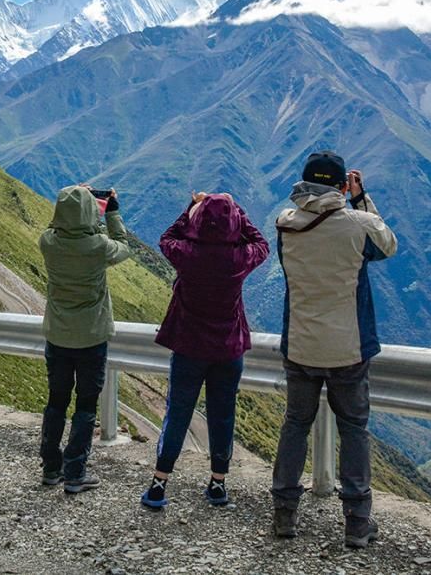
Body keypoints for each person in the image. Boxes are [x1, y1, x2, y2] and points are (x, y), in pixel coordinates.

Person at [270, 151, 397, 548]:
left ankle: (284, 515)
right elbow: (385, 245)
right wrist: (360, 199)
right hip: (347, 349)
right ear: (342, 185)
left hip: (301, 345)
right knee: (354, 430)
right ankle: (357, 522)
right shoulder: (358, 226)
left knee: (295, 426)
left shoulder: (286, 225)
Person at [141, 192, 269, 510]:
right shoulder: (239, 257)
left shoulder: (186, 252)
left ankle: (159, 484)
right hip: (228, 350)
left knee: (178, 413)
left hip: (188, 347)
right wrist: (234, 208)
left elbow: (167, 237)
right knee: (222, 416)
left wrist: (191, 209)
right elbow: (261, 243)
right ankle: (217, 485)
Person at [38, 184, 133, 493]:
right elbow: (123, 244)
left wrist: (74, 197)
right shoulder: (98, 247)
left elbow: (61, 222)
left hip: (58, 335)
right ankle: (75, 472)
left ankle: (51, 468)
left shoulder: (48, 243)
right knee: (86, 405)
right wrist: (111, 212)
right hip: (91, 336)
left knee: (56, 401)